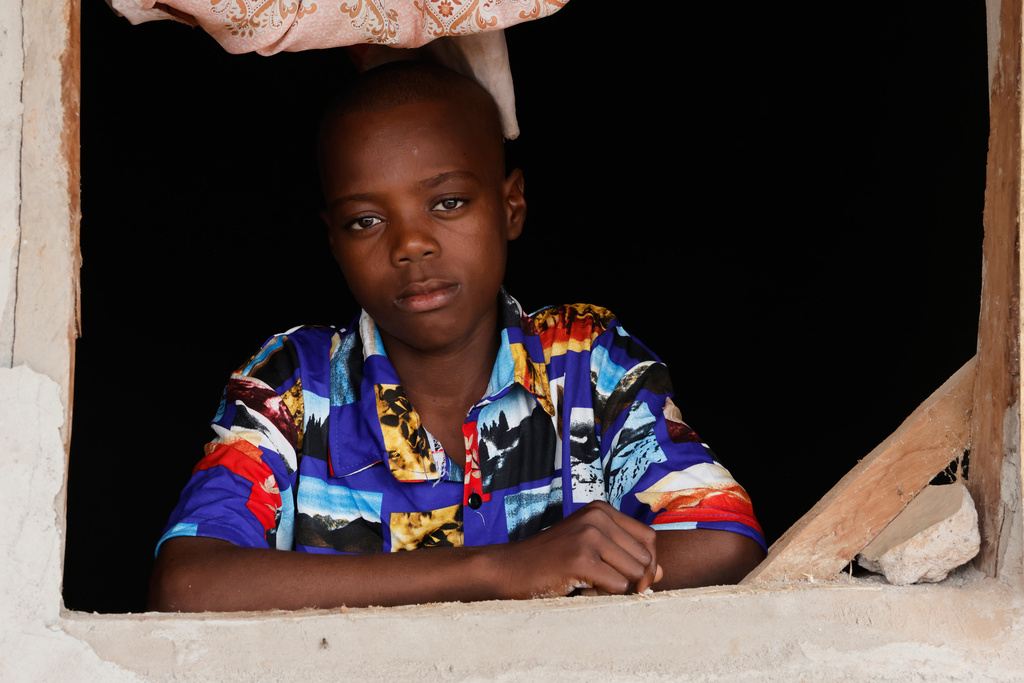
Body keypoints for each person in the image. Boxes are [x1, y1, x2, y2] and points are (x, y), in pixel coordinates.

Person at [149, 61, 767, 612]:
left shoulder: (584, 360)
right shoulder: (293, 385)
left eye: (447, 203)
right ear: (333, 240)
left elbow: (724, 542)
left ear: (511, 206)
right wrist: (500, 570)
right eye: (366, 220)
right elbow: (188, 585)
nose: (411, 244)